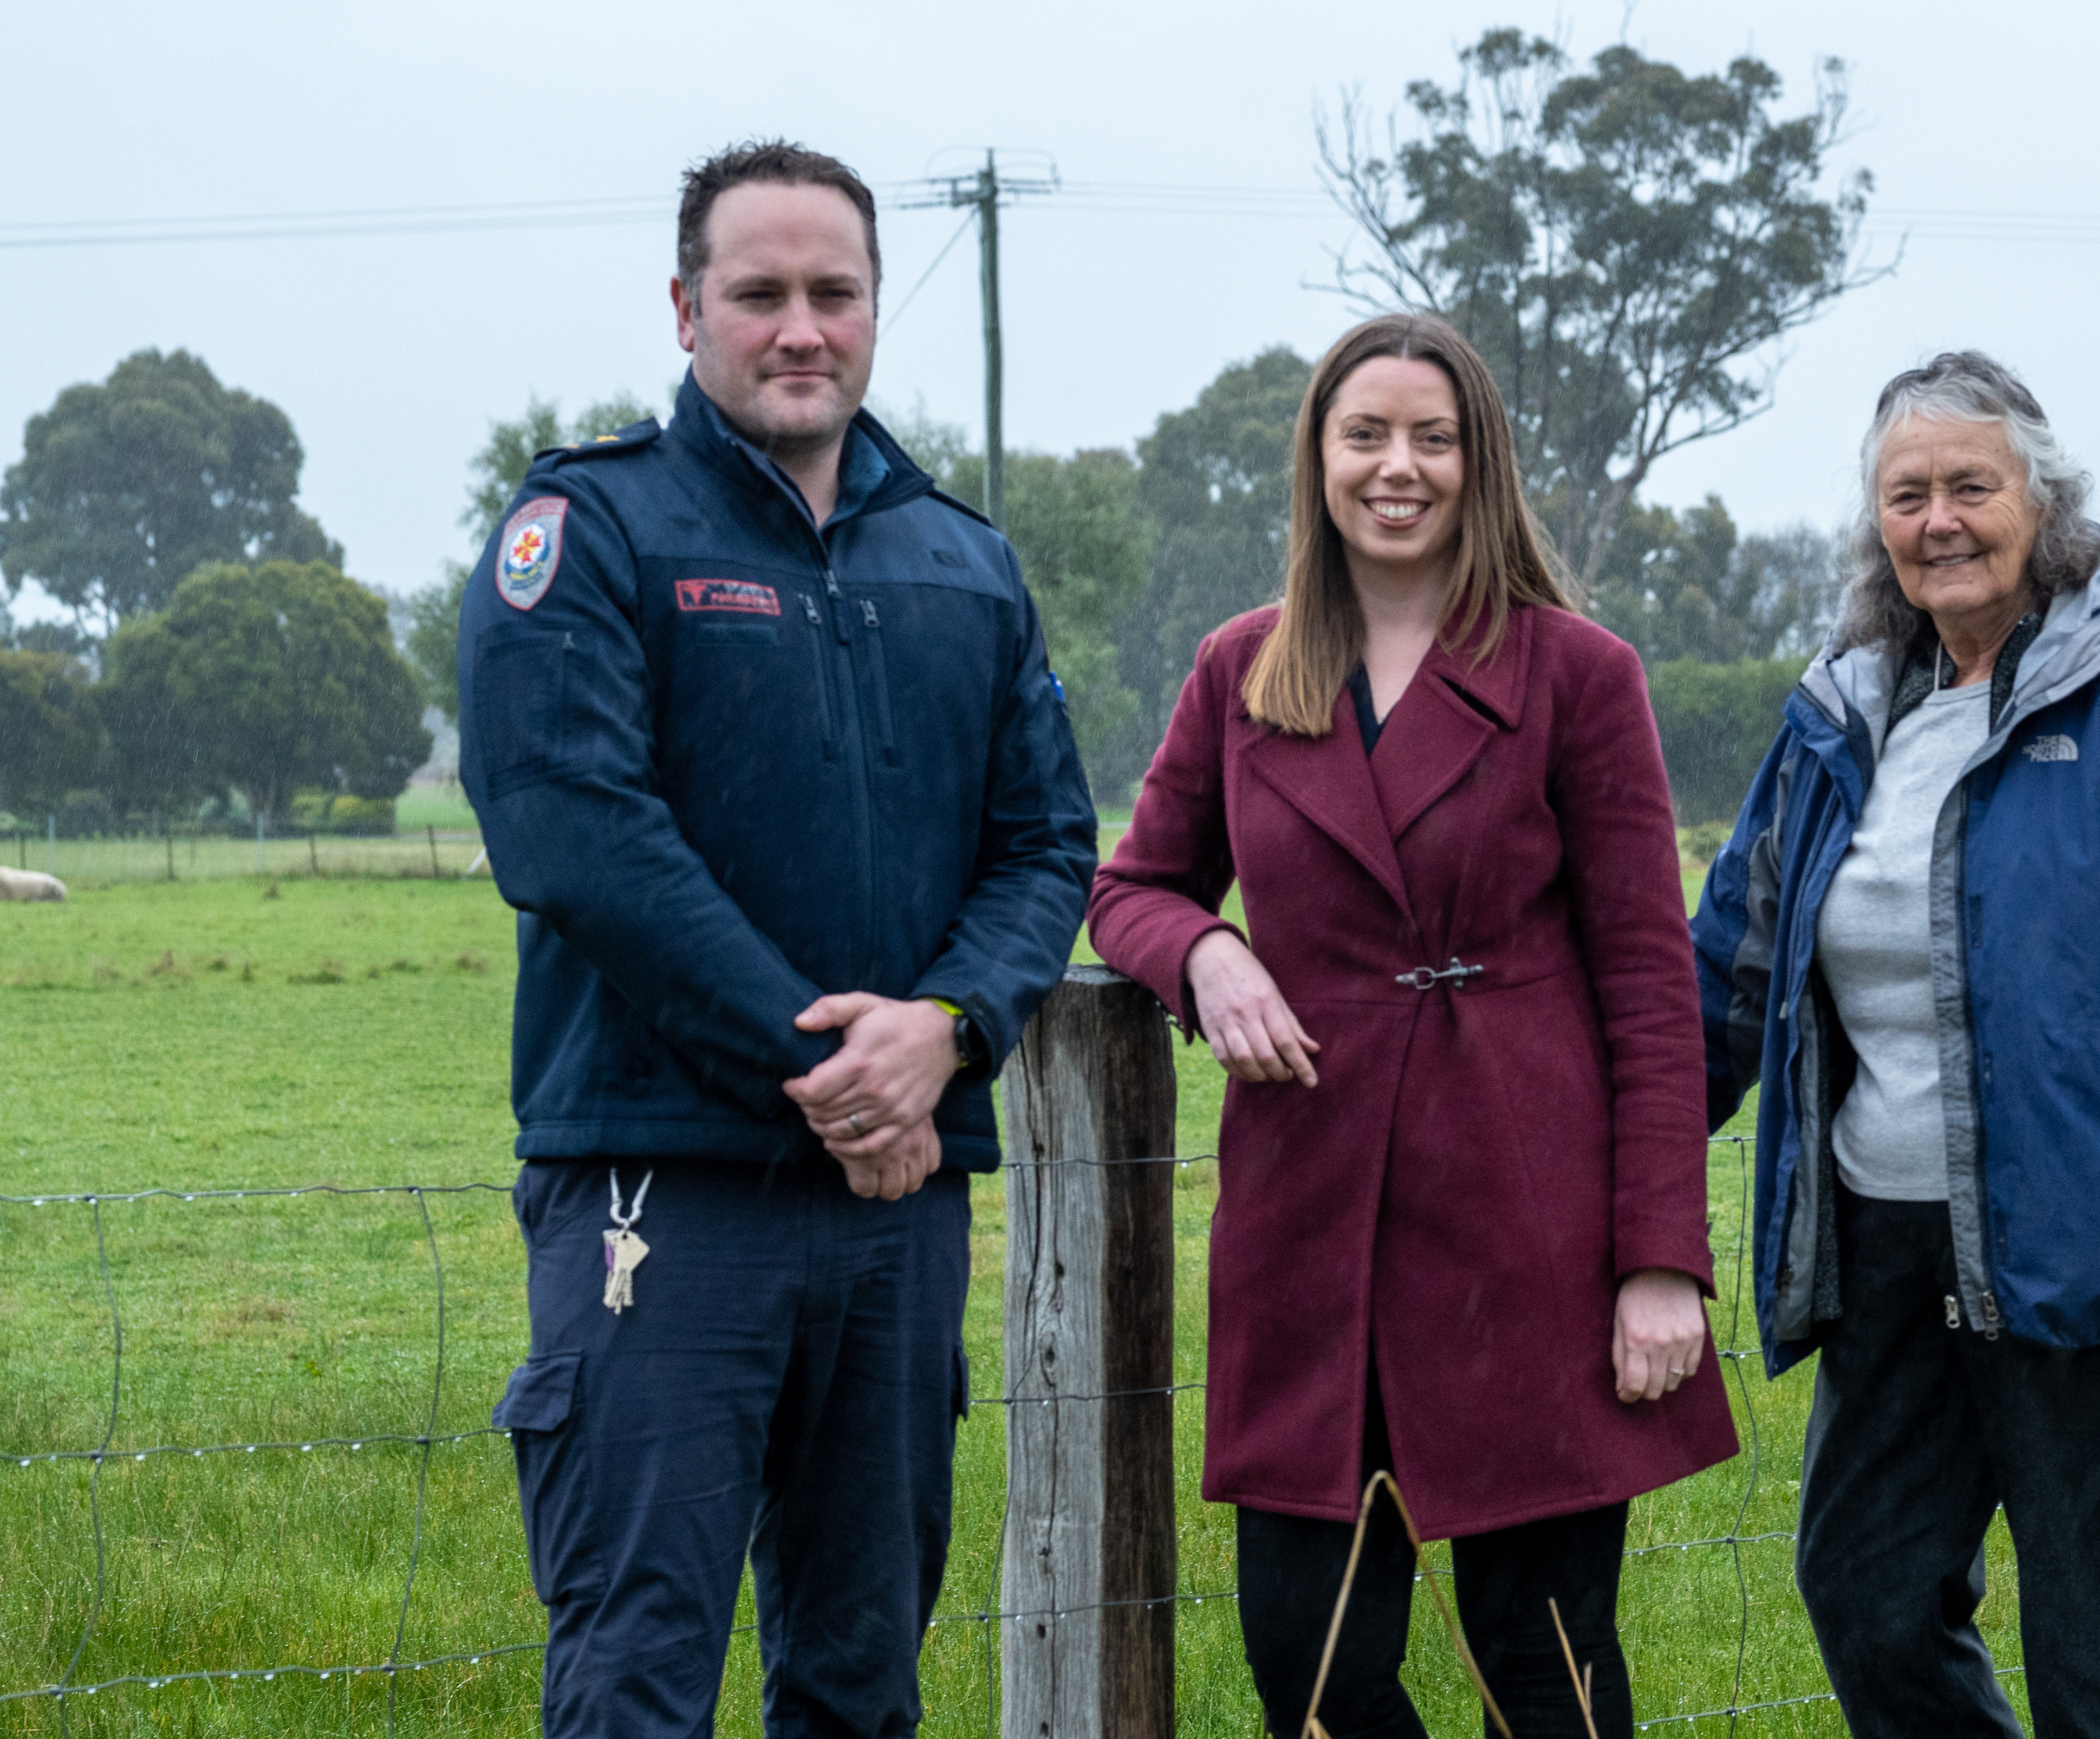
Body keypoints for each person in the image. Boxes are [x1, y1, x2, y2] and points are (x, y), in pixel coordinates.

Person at [461, 139, 1096, 1737]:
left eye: (835, 292)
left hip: (896, 1208)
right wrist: (829, 1059)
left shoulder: (965, 562)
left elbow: (1045, 843)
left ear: (878, 307)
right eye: (760, 294)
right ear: (687, 307)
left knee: (862, 1673)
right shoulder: (589, 529)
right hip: (666, 1190)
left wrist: (948, 1023)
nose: (799, 325)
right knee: (636, 1671)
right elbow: (574, 832)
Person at [1089, 312, 1737, 1737]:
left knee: (1544, 1662)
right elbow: (1128, 886)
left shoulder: (1578, 673)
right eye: (1365, 433)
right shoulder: (1241, 671)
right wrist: (1200, 951)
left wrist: (1658, 1263)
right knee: (1310, 1665)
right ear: (1318, 458)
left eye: (1433, 437)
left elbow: (1650, 987)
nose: (1400, 465)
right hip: (1308, 1229)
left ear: (1480, 461)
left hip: (1527, 1224)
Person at [1693, 352, 2100, 1739]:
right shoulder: (1841, 712)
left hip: (2094, 1248)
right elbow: (1728, 971)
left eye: (1970, 486)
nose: (1939, 520)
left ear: (2041, 500)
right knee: (1864, 1593)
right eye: (1905, 494)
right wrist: (1608, 1168)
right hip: (1884, 1250)